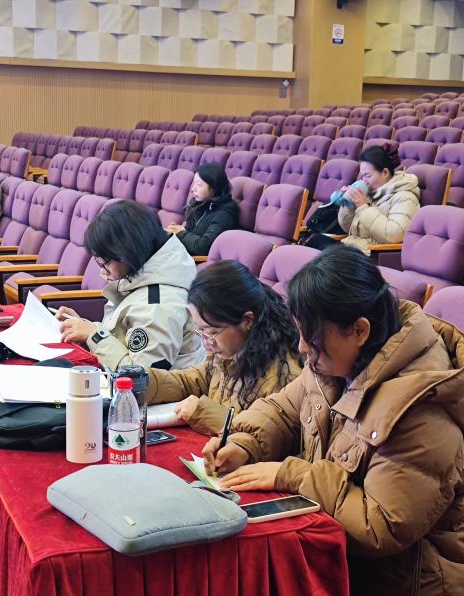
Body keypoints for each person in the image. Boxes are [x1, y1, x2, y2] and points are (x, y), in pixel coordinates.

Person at [202, 246, 464, 596]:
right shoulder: (335, 362)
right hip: (342, 577)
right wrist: (243, 443)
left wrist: (293, 475)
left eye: (311, 337)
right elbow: (283, 409)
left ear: (359, 330)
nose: (302, 348)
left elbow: (381, 526)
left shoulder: (422, 408)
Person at [146, 260, 303, 436]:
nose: (206, 344)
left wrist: (203, 412)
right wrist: (144, 381)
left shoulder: (284, 377)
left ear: (247, 321)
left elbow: (264, 438)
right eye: (200, 331)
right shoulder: (234, 350)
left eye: (211, 332)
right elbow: (193, 380)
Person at [57, 200, 205, 372]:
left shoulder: (158, 306)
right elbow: (124, 338)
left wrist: (94, 336)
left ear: (128, 252)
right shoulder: (142, 279)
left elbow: (143, 378)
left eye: (105, 262)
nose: (102, 272)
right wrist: (85, 328)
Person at [331, 144, 420, 253]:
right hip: (352, 247)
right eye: (362, 176)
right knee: (315, 240)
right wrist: (349, 203)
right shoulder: (370, 193)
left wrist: (363, 207)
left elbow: (395, 234)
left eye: (368, 176)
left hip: (371, 254)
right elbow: (347, 228)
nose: (364, 181)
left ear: (385, 173)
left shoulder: (405, 196)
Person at [163, 163, 239, 256]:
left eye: (199, 185)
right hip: (181, 253)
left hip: (194, 260)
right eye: (194, 183)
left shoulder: (224, 215)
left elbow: (203, 247)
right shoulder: (199, 204)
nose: (193, 189)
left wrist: (181, 233)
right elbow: (189, 233)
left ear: (214, 187)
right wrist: (175, 231)